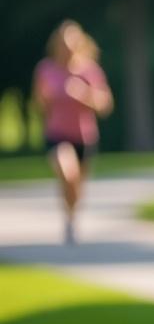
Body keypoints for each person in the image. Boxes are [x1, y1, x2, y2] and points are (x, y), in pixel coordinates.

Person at [32, 20, 114, 245]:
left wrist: (84, 94)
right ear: (56, 46)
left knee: (76, 187)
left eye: (71, 45)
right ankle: (69, 218)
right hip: (57, 134)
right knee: (68, 173)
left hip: (84, 137)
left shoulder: (89, 70)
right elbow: (39, 105)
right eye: (62, 45)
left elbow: (105, 105)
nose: (66, 50)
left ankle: (70, 219)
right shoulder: (45, 70)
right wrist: (45, 100)